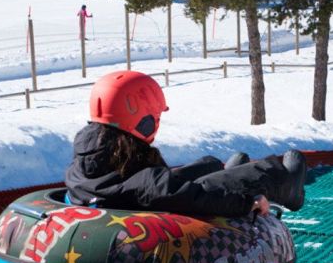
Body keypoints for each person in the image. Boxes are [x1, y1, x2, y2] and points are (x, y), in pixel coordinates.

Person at [64, 70, 307, 217]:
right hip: (154, 213)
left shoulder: (83, 163)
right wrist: (246, 202)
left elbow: (155, 185)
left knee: (207, 165)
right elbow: (180, 194)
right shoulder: (146, 183)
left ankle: (223, 169)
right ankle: (287, 185)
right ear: (143, 120)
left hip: (129, 198)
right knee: (229, 182)